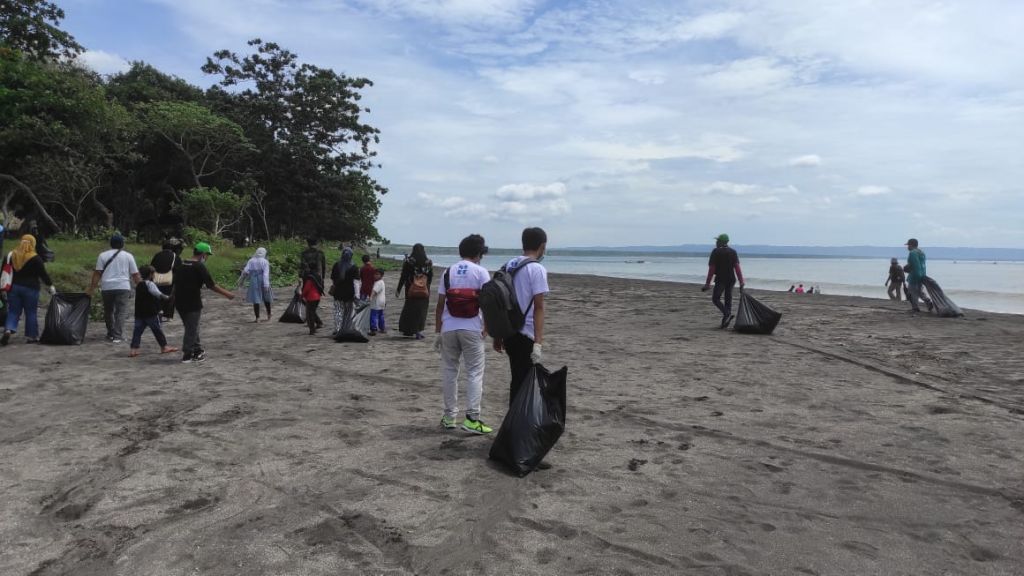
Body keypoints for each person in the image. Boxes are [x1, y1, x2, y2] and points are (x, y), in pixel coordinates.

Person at [433, 234, 492, 434]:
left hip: (449, 327)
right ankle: (472, 419)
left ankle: (449, 417)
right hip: (472, 327)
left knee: (450, 372)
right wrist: (488, 327)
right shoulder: (481, 272)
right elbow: (488, 303)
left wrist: (437, 331)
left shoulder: (447, 273)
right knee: (475, 372)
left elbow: (440, 305)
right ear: (479, 253)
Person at [494, 227, 550, 408]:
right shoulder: (537, 269)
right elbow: (539, 307)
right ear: (542, 246)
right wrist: (538, 343)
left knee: (517, 379)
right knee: (524, 383)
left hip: (509, 330)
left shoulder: (509, 265)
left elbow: (502, 301)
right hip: (525, 333)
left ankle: (515, 423)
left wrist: (498, 333)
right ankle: (516, 427)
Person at [173, 242, 235, 363]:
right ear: (203, 254)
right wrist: (228, 294)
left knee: (191, 326)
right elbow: (211, 285)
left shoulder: (182, 264)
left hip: (179, 301)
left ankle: (197, 350)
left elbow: (175, 283)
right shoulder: (199, 266)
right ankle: (187, 354)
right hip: (193, 302)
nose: (207, 258)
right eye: (207, 255)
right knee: (191, 328)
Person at [86, 234, 141, 344]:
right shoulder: (128, 256)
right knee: (121, 312)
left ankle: (110, 333)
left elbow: (97, 273)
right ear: (122, 244)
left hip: (107, 287)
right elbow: (135, 274)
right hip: (123, 286)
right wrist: (141, 287)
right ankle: (117, 335)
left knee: (108, 311)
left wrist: (92, 288)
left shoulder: (102, 255)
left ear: (110, 244)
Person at [1, 235, 55, 346]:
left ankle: (8, 329)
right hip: (31, 289)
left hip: (14, 288)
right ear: (33, 243)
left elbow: (3, 271)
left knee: (13, 311)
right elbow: (43, 274)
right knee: (31, 312)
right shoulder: (35, 258)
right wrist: (50, 285)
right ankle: (32, 336)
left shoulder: (11, 255)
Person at [129, 266, 177, 357]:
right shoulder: (150, 284)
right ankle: (164, 346)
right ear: (150, 274)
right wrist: (168, 297)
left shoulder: (138, 285)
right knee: (157, 330)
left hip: (139, 313)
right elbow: (157, 294)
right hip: (151, 312)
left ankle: (134, 349)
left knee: (137, 331)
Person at [701, 233, 745, 329]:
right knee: (728, 299)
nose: (716, 242)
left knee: (715, 298)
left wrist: (707, 284)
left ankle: (727, 314)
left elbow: (712, 269)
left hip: (721, 279)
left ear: (721, 242)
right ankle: (725, 320)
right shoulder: (733, 252)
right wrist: (741, 281)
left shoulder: (716, 252)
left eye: (717, 241)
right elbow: (737, 268)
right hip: (731, 279)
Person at [396, 243, 433, 339]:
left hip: (411, 288)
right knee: (421, 310)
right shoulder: (428, 262)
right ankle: (418, 331)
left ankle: (408, 330)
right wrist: (426, 285)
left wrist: (398, 289)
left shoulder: (409, 261)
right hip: (424, 289)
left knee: (410, 309)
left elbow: (403, 276)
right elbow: (430, 277)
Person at [238, 247, 274, 322]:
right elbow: (265, 274)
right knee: (266, 298)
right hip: (263, 281)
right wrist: (266, 284)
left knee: (256, 299)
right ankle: (269, 315)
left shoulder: (251, 260)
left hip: (254, 280)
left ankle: (257, 318)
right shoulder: (265, 261)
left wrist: (242, 280)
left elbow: (245, 271)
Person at [330, 247, 359, 334]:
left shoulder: (336, 265)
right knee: (348, 311)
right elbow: (356, 282)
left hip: (338, 292)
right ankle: (346, 328)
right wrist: (357, 295)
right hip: (350, 293)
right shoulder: (354, 267)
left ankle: (337, 329)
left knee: (338, 311)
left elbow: (333, 278)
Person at [150, 239, 181, 320]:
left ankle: (158, 311)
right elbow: (178, 270)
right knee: (170, 296)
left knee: (158, 295)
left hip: (157, 279)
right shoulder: (175, 256)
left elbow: (152, 266)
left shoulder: (157, 255)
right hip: (169, 279)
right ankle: (168, 316)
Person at [904, 238, 933, 313]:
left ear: (911, 245)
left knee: (911, 292)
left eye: (908, 245)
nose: (907, 247)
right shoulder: (921, 252)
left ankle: (915, 308)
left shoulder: (913, 253)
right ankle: (928, 301)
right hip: (922, 275)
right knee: (919, 291)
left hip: (915, 275)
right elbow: (921, 265)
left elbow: (915, 265)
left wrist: (908, 268)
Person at [301, 268, 324, 335]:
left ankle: (312, 329)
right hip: (317, 297)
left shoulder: (310, 280)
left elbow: (306, 289)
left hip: (311, 298)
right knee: (312, 312)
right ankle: (319, 323)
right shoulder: (318, 277)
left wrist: (302, 296)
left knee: (309, 314)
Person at [369, 269, 387, 336]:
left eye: (377, 274)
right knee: (380, 315)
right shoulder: (382, 282)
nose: (375, 276)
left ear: (381, 276)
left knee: (373, 315)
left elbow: (374, 291)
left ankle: (373, 329)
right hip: (382, 301)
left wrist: (370, 298)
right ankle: (382, 328)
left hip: (377, 302)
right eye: (375, 274)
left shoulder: (378, 282)